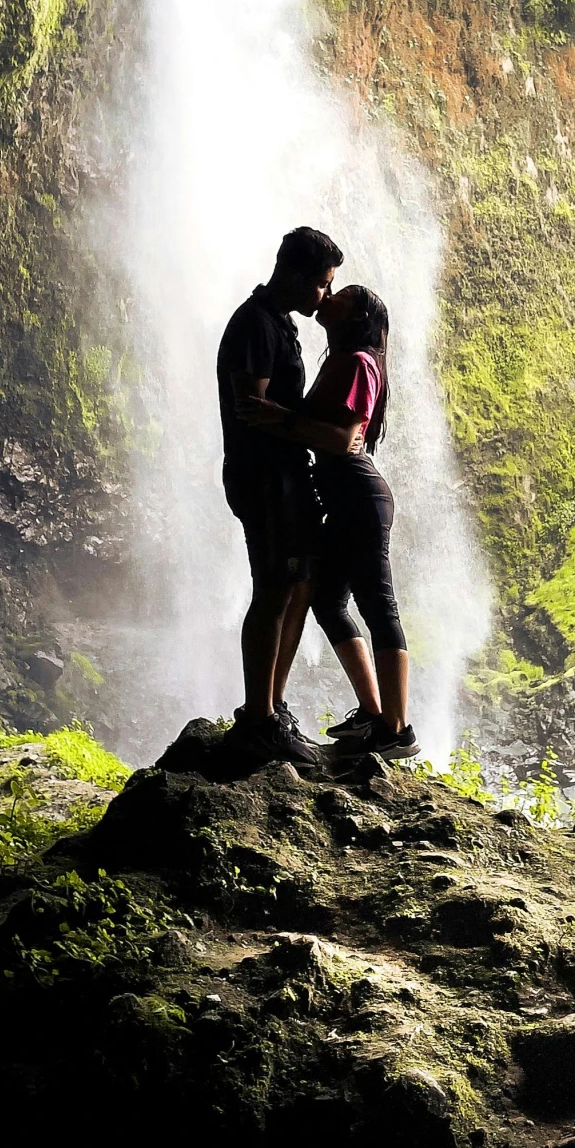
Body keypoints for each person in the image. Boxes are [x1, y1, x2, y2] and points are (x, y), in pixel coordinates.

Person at [243, 282, 416, 763]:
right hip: (342, 499)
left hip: (360, 497)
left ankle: (396, 729)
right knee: (326, 601)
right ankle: (372, 711)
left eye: (342, 294)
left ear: (358, 316)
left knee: (378, 605)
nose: (329, 295)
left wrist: (276, 417)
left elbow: (343, 440)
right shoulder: (341, 361)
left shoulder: (360, 362)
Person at [216, 225, 344, 769]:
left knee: (297, 585)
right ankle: (259, 719)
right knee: (273, 589)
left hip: (286, 476)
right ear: (293, 275)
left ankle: (272, 707)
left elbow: (273, 412)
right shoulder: (255, 325)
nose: (327, 296)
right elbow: (253, 409)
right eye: (321, 284)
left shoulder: (277, 322)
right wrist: (310, 428)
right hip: (265, 478)